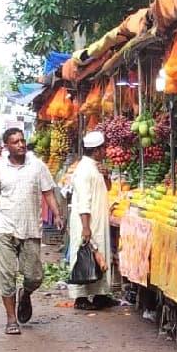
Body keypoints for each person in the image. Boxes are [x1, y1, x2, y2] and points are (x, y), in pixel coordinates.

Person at [0, 128, 63, 335]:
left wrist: (57, 214)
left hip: (30, 228)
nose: (20, 145)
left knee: (34, 276)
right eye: (15, 142)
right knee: (7, 274)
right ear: (6, 146)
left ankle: (26, 293)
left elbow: (48, 192)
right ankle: (11, 320)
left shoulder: (37, 166)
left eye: (22, 140)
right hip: (4, 227)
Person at [68, 131, 113, 310]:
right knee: (84, 257)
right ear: (96, 150)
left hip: (98, 219)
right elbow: (84, 201)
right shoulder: (84, 170)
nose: (106, 151)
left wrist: (107, 175)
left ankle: (100, 294)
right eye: (103, 148)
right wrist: (85, 227)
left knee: (99, 256)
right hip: (87, 220)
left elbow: (106, 188)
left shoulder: (96, 167)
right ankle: (80, 297)